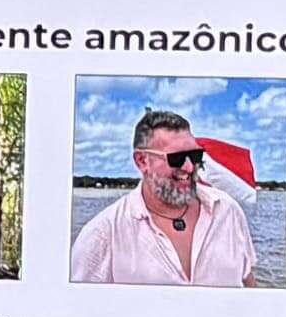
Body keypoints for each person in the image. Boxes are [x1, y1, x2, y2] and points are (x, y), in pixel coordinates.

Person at [72, 103, 262, 287]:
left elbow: (248, 282)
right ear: (142, 161)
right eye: (177, 158)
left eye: (195, 156)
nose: (189, 167)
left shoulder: (228, 211)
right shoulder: (103, 235)